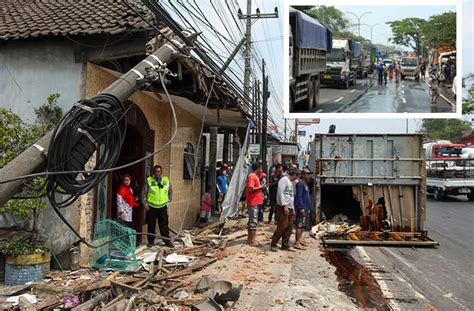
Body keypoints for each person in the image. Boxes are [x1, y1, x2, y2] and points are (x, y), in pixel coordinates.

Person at [142, 165, 174, 248]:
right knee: (151, 225)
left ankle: (167, 241)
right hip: (151, 207)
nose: (157, 173)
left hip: (162, 207)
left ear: (161, 172)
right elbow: (143, 193)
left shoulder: (166, 181)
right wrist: (145, 203)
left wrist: (168, 201)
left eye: (159, 171)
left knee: (164, 225)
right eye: (156, 171)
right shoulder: (149, 181)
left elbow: (170, 191)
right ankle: (151, 241)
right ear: (153, 173)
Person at [270, 168, 299, 252]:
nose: (296, 178)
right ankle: (273, 244)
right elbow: (280, 193)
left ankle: (285, 245)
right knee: (282, 226)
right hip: (283, 207)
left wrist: (292, 208)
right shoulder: (284, 180)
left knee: (289, 227)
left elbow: (291, 196)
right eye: (296, 176)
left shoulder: (290, 182)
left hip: (290, 207)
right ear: (294, 175)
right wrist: (284, 206)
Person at [246, 161, 266, 246]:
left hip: (255, 201)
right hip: (253, 202)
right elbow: (251, 189)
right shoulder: (252, 176)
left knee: (252, 220)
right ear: (258, 168)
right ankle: (252, 240)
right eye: (260, 168)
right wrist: (261, 187)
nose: (261, 170)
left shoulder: (255, 176)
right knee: (253, 221)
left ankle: (250, 239)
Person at [294, 168, 313, 249]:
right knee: (299, 225)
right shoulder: (300, 184)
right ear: (303, 175)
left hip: (306, 207)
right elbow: (299, 197)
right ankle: (297, 242)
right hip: (302, 208)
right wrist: (301, 208)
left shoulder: (305, 183)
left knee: (303, 226)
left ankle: (300, 239)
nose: (309, 175)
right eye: (307, 174)